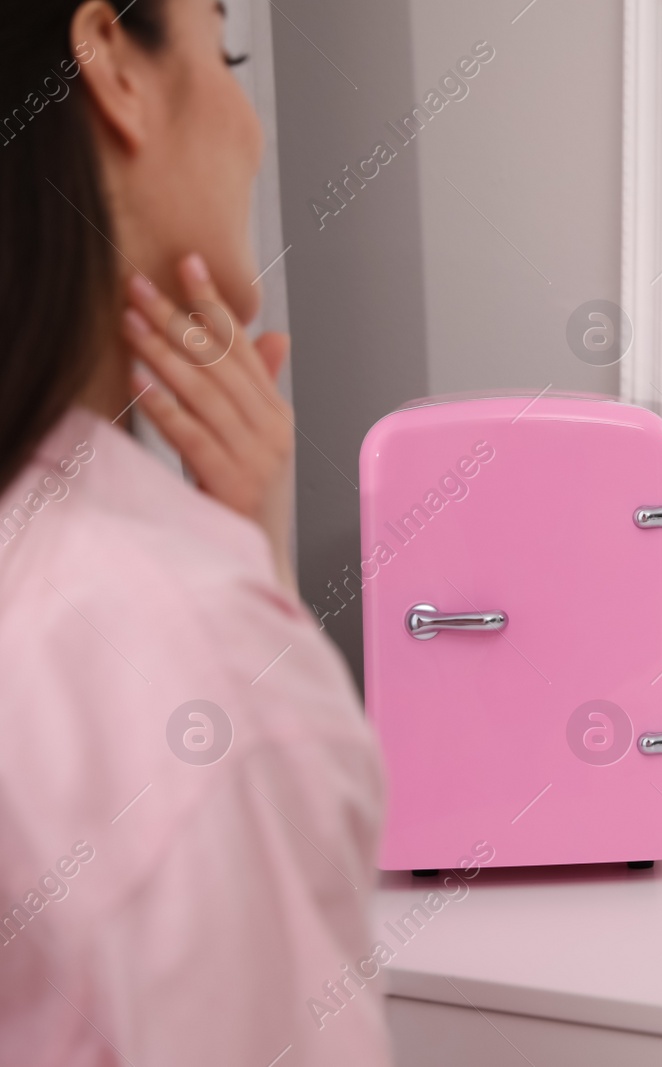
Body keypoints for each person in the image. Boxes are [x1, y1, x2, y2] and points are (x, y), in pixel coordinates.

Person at [0, 2, 390, 1063]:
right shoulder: (174, 649)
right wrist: (233, 619)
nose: (252, 127)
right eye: (225, 50)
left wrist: (241, 551)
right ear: (115, 70)